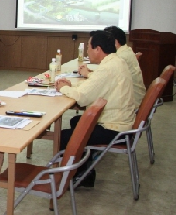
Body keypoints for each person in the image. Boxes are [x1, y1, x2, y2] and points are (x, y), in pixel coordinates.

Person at [56, 30, 136, 188]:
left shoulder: (108, 68)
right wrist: (72, 85)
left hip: (115, 129)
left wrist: (62, 88)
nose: (87, 51)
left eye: (88, 47)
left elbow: (83, 97)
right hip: (121, 123)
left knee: (63, 137)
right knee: (76, 121)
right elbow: (94, 85)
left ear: (98, 49)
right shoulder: (114, 62)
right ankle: (84, 171)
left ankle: (72, 178)